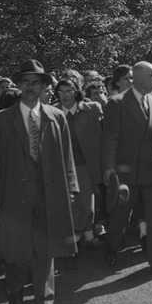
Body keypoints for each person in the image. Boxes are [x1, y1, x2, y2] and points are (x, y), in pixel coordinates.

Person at [0, 60, 79, 304]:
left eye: (35, 82)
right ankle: (14, 290)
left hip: (48, 193)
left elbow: (67, 155)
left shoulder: (56, 116)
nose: (30, 87)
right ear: (18, 85)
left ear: (43, 87)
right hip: (14, 195)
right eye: (25, 82)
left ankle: (44, 302)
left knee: (44, 250)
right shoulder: (3, 120)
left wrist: (70, 187)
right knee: (17, 252)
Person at [101, 61, 152, 275]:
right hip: (127, 170)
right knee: (120, 215)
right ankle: (112, 247)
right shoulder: (117, 103)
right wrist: (109, 168)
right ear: (139, 78)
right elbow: (110, 139)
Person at [55, 73, 103, 258]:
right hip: (63, 167)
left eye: (69, 91)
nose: (65, 95)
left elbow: (99, 140)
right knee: (71, 206)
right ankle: (77, 242)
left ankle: (78, 239)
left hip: (85, 165)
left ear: (77, 92)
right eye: (61, 91)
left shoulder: (90, 110)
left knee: (87, 205)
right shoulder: (54, 112)